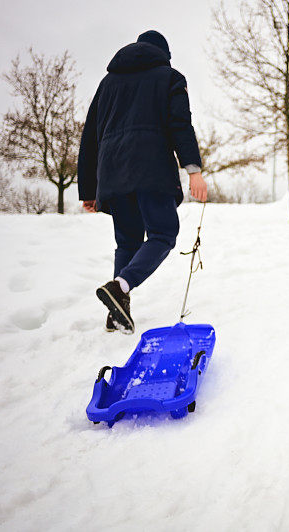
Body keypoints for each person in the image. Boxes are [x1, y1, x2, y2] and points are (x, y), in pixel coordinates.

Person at [78, 30, 207, 334]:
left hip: (111, 173)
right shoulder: (169, 76)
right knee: (163, 234)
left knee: (128, 241)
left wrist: (89, 189)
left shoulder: (107, 83)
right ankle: (121, 286)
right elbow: (180, 123)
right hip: (151, 169)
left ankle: (116, 312)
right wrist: (193, 169)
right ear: (163, 53)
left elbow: (90, 138)